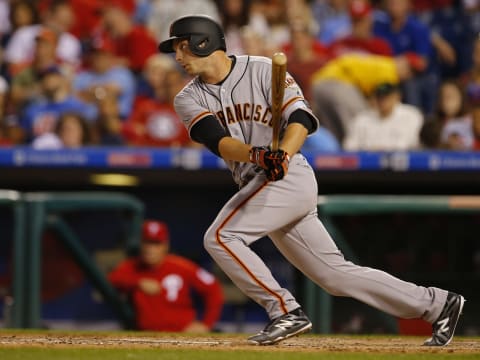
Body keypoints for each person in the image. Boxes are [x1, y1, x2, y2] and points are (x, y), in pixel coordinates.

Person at [158, 14, 465, 346]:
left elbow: (300, 117)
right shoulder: (187, 97)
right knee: (334, 275)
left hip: (289, 177)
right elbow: (219, 142)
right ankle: (437, 303)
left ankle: (283, 311)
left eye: (183, 48)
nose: (178, 57)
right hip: (256, 179)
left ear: (203, 43)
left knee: (220, 237)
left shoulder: (262, 69)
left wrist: (283, 154)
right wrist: (260, 155)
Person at [108, 220, 224, 332]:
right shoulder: (131, 266)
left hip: (183, 333)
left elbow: (213, 289)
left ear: (165, 245)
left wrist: (206, 324)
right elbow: (112, 280)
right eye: (147, 243)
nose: (150, 249)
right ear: (140, 244)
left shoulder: (181, 266)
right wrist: (138, 282)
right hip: (146, 334)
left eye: (156, 244)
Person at [343, 82, 423, 151]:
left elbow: (417, 145)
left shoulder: (411, 115)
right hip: (369, 165)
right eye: (379, 96)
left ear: (397, 97)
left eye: (386, 96)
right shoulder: (362, 119)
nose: (382, 100)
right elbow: (349, 147)